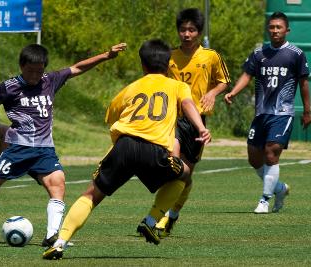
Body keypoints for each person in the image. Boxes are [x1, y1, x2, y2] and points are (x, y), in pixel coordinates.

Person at [0, 42, 127, 248]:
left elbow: (77, 68)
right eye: (30, 71)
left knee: (58, 183)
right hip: (18, 150)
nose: (35, 75)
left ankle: (52, 236)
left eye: (39, 70)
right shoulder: (9, 87)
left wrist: (106, 56)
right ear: (21, 66)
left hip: (45, 151)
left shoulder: (50, 80)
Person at [42, 39, 211, 260]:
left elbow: (111, 115)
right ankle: (151, 221)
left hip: (124, 147)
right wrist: (200, 127)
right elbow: (188, 104)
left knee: (91, 195)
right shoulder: (177, 86)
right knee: (184, 176)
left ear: (143, 65)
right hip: (155, 150)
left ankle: (60, 243)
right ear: (169, 64)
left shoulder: (131, 88)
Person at [143, 8, 230, 237]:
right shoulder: (169, 56)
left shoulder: (211, 56)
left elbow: (223, 82)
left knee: (185, 175)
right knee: (172, 165)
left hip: (195, 122)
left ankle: (172, 215)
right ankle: (158, 216)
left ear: (199, 32)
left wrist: (212, 94)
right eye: (183, 29)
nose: (187, 34)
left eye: (192, 30)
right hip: (172, 118)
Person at [224, 12, 310, 213]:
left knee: (271, 153)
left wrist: (308, 111)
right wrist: (233, 92)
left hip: (283, 113)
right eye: (271, 27)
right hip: (261, 114)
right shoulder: (259, 52)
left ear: (286, 29)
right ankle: (279, 188)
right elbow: (247, 75)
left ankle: (264, 199)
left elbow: (304, 84)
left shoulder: (296, 54)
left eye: (279, 27)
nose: (275, 31)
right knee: (254, 158)